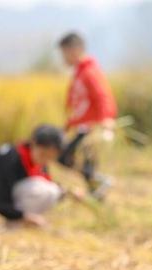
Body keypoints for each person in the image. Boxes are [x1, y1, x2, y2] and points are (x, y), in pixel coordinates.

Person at [0, 125, 65, 227]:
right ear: (33, 143)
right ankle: (14, 223)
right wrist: (23, 216)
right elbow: (0, 200)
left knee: (54, 190)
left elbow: (49, 182)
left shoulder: (36, 161)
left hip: (5, 199)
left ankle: (20, 219)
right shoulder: (9, 159)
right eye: (43, 154)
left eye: (50, 157)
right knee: (45, 190)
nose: (45, 160)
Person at [57, 32, 117, 200]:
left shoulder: (89, 72)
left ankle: (99, 182)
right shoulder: (79, 73)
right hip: (82, 126)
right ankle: (97, 189)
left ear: (75, 50)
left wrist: (106, 119)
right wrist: (69, 124)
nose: (63, 58)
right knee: (83, 163)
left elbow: (103, 96)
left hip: (91, 127)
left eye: (64, 53)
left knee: (66, 157)